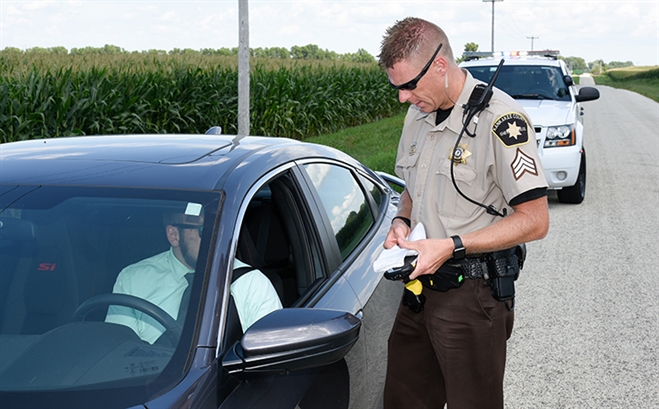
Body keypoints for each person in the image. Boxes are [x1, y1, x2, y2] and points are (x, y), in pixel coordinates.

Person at [378, 17, 550, 408]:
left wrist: (453, 245)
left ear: (440, 65)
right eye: (397, 87)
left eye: (409, 86)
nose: (403, 98)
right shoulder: (418, 114)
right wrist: (402, 221)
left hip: (472, 296)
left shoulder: (501, 120)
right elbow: (412, 184)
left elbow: (535, 221)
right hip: (419, 289)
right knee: (402, 398)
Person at [106, 210, 282, 344]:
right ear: (173, 235)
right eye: (204, 230)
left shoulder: (250, 283)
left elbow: (272, 361)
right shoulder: (132, 279)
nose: (217, 236)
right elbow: (116, 352)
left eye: (221, 227)